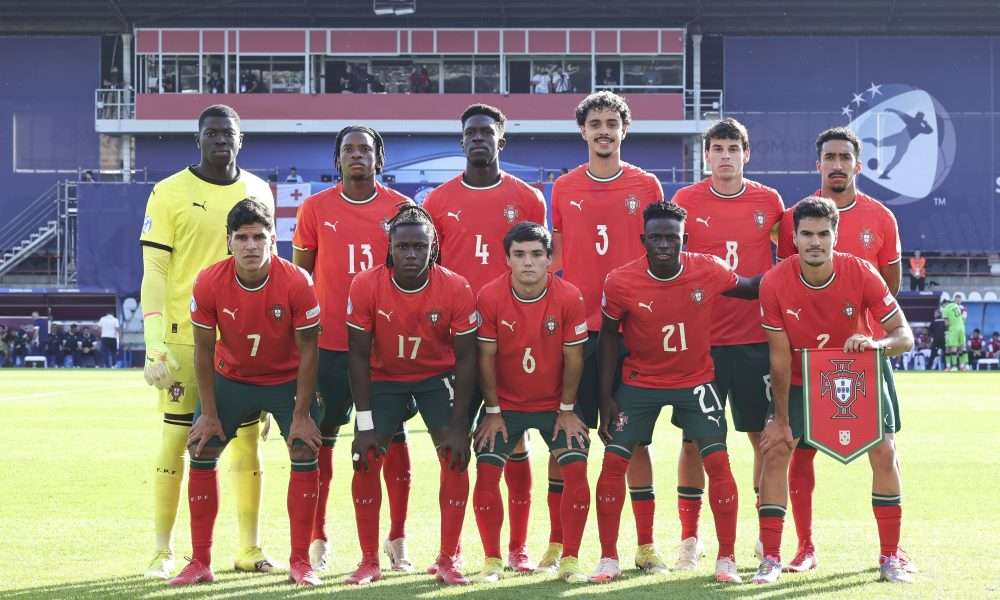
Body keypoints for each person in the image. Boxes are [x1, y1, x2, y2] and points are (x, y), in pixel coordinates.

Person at [139, 104, 275, 579]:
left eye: (228, 133)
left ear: (241, 140)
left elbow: (270, 272)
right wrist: (153, 342)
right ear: (197, 139)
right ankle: (162, 551)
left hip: (244, 341)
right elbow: (154, 271)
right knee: (177, 437)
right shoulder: (169, 191)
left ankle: (249, 548)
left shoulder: (258, 190)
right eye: (211, 133)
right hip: (184, 338)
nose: (220, 140)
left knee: (247, 442)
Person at [592, 202, 759, 583]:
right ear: (643, 240)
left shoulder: (708, 269)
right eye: (657, 238)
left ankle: (726, 558)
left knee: (718, 462)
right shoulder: (620, 281)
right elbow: (608, 338)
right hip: (640, 381)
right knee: (613, 462)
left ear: (685, 239)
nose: (665, 245)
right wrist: (605, 398)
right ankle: (608, 558)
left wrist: (799, 268)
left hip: (695, 380)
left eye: (673, 237)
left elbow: (751, 288)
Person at [752, 196, 914, 585]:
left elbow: (904, 336)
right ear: (793, 237)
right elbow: (779, 358)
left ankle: (890, 555)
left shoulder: (860, 271)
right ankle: (770, 558)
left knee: (885, 450)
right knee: (776, 451)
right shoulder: (774, 282)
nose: (815, 242)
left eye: (823, 234)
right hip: (799, 379)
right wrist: (780, 420)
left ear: (835, 236)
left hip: (855, 375)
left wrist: (875, 344)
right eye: (807, 234)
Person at [170, 199, 323, 587]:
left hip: (286, 380)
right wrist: (208, 413)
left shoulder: (297, 281)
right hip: (232, 378)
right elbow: (203, 351)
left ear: (273, 239)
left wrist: (302, 415)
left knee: (304, 448)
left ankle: (300, 561)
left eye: (258, 237)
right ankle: (200, 561)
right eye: (242, 238)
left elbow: (309, 350)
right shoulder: (209, 281)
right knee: (202, 446)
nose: (251, 246)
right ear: (229, 241)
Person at [422, 104, 548, 571]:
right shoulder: (438, 201)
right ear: (462, 141)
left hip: (511, 341)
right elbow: (430, 272)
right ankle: (449, 553)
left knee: (515, 444)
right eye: (471, 132)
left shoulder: (528, 198)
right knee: (454, 447)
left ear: (501, 141)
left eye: (487, 132)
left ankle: (517, 549)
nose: (478, 138)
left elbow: (538, 269)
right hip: (453, 344)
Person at [549, 91, 666, 574]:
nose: (603, 131)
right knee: (567, 437)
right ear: (582, 131)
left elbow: (660, 254)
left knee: (632, 441)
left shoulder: (646, 184)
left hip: (631, 331)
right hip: (578, 333)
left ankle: (645, 546)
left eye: (611, 123)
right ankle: (561, 547)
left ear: (624, 130)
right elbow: (557, 256)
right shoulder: (563, 187)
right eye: (594, 123)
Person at [292, 125, 415, 572]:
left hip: (383, 350)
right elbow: (301, 280)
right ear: (338, 159)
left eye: (366, 149)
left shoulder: (401, 209)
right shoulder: (314, 208)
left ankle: (397, 538)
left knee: (391, 439)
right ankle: (318, 537)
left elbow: (413, 276)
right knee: (321, 440)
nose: (357, 155)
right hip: (329, 346)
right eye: (349, 149)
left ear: (379, 158)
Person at [671, 117, 784, 570]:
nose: (725, 156)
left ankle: (762, 532)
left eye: (733, 148)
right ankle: (690, 538)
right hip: (704, 342)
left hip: (756, 339)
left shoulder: (769, 201)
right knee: (694, 440)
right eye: (717, 149)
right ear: (706, 156)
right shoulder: (686, 200)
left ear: (746, 154)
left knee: (762, 438)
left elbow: (786, 260)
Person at [345, 205, 477, 586]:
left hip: (436, 378)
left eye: (420, 246)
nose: (411, 255)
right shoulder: (365, 285)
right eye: (403, 247)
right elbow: (357, 355)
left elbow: (467, 359)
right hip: (385, 379)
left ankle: (448, 558)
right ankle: (369, 561)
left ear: (433, 248)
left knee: (454, 456)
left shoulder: (455, 287)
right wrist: (364, 423)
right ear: (390, 247)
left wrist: (460, 425)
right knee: (366, 457)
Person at [472, 223, 591, 584]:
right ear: (507, 259)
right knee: (487, 470)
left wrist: (567, 410)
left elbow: (574, 358)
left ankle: (569, 558)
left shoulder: (569, 296)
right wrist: (492, 412)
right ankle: (493, 560)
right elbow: (485, 358)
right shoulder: (489, 296)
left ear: (550, 259)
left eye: (537, 254)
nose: (528, 262)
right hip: (505, 406)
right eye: (519, 254)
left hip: (555, 405)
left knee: (575, 469)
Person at [942, 295, 968, 371]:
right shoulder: (956, 306)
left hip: (952, 330)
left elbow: (946, 323)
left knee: (952, 348)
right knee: (962, 347)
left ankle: (953, 366)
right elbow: (963, 318)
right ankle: (963, 366)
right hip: (962, 327)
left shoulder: (945, 309)